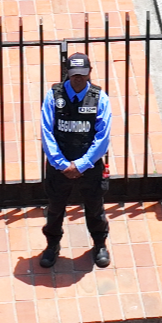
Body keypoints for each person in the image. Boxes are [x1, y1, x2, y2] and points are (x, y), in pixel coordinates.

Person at [38, 50, 113, 270]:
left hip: (88, 166)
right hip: (58, 166)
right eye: (74, 74)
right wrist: (62, 164)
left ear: (90, 72)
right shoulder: (54, 95)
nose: (78, 78)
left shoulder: (100, 98)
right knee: (54, 208)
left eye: (82, 74)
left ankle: (100, 244)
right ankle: (52, 245)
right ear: (67, 74)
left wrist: (81, 164)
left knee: (95, 208)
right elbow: (46, 132)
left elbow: (103, 136)